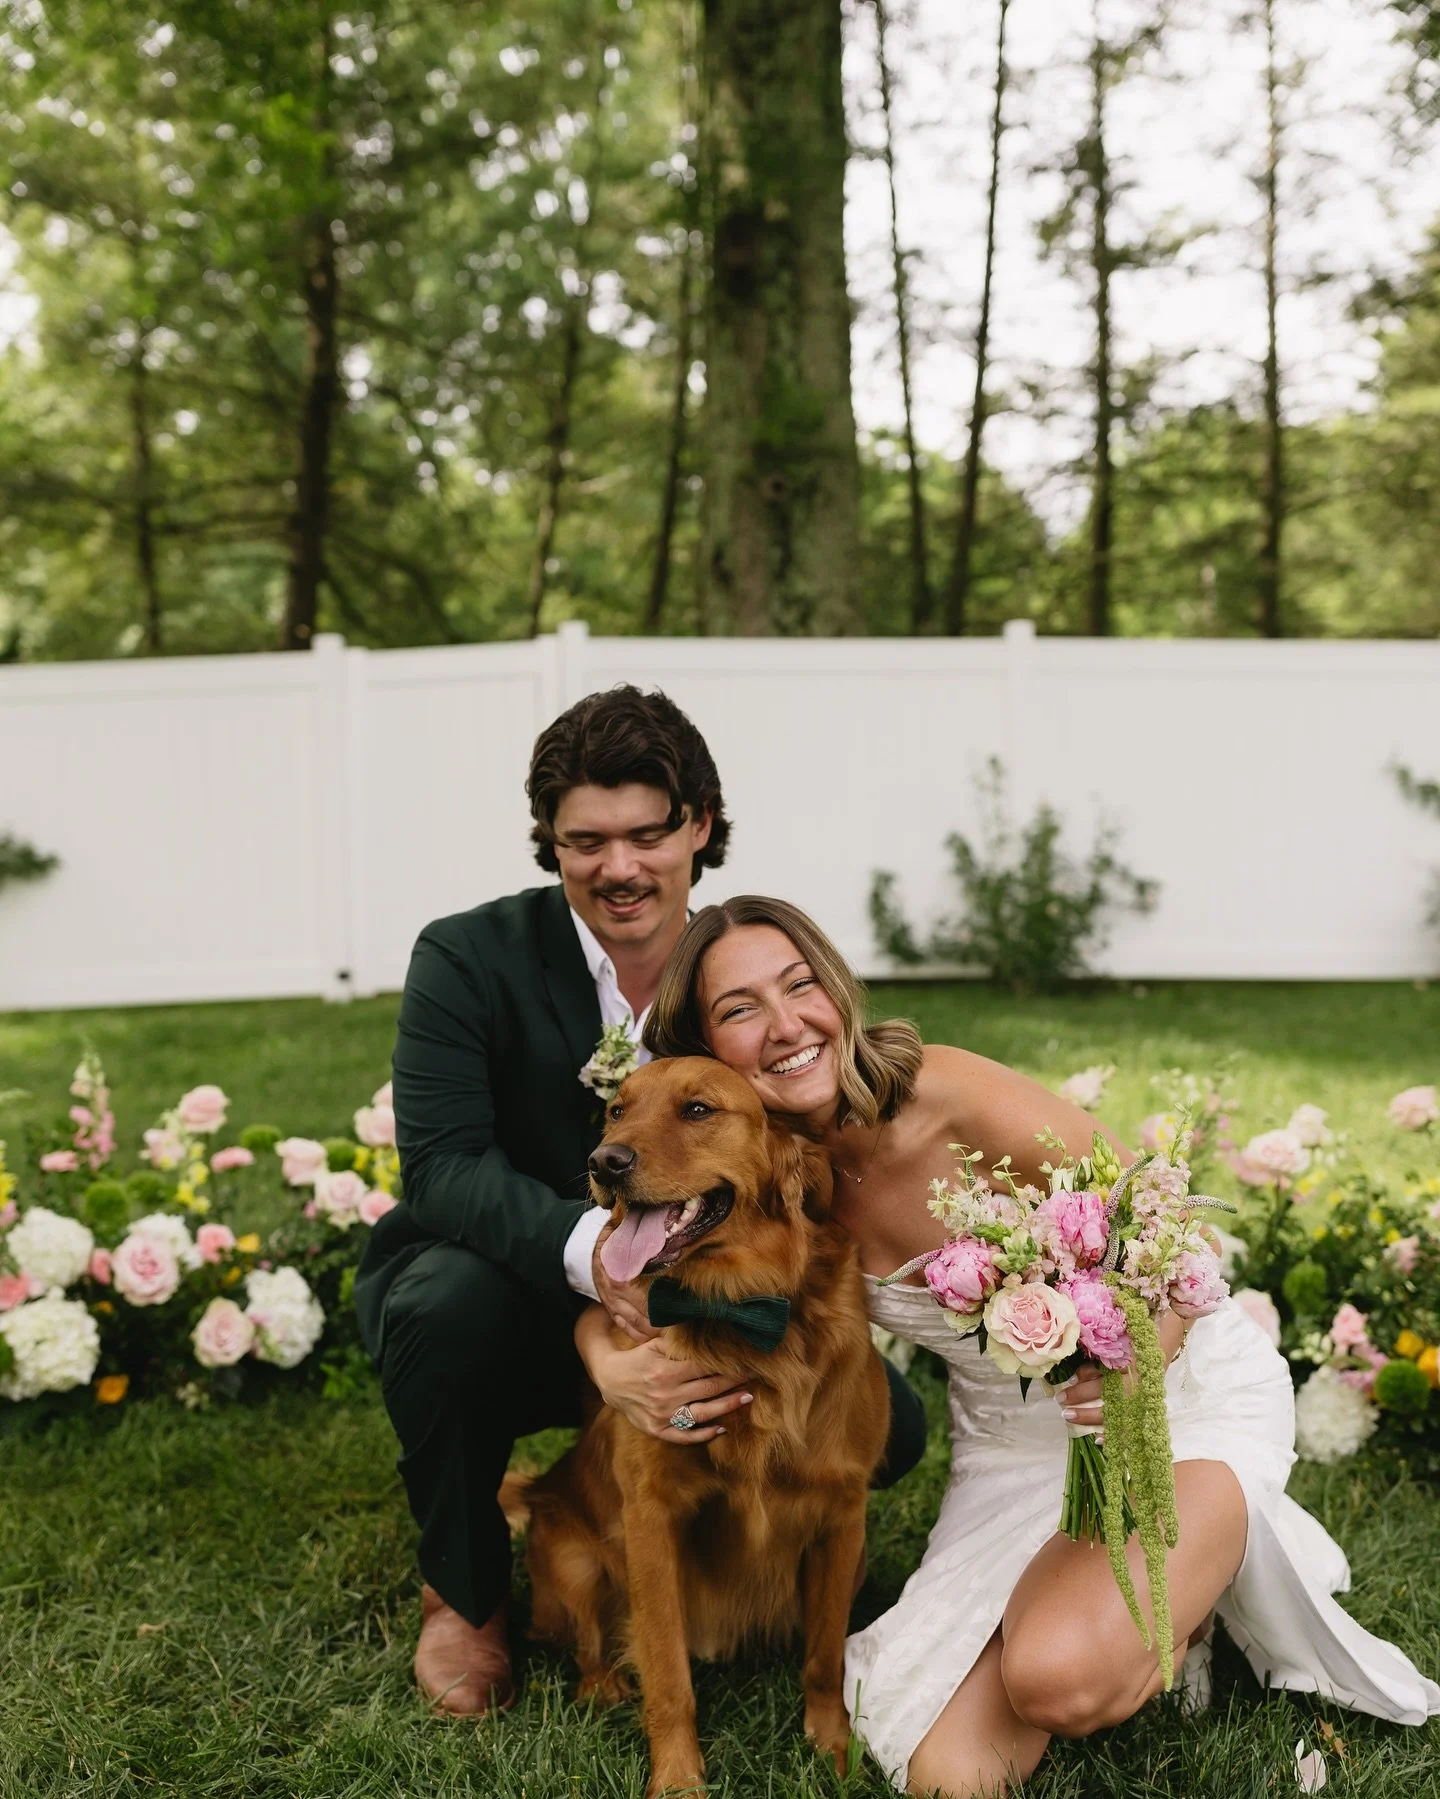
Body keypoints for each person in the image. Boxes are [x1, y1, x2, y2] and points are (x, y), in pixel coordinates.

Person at [635, 893, 1440, 1798]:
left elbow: (1171, 1216)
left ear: (837, 988)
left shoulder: (943, 1093)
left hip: (1172, 1400)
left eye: (799, 985)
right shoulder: (757, 1183)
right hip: (1013, 1447)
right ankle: (1169, 1597)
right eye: (740, 1008)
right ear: (702, 1046)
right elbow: (629, 1262)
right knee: (953, 1777)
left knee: (1057, 1673)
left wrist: (1143, 1358)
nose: (786, 1025)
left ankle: (1199, 1565)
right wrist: (621, 1360)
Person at [354, 693, 927, 1717]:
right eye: (585, 840)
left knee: (896, 1427)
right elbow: (441, 1168)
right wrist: (599, 1292)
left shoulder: (734, 967)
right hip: (511, 1294)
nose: (618, 866)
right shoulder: (465, 957)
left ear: (699, 823)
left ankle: (741, 1555)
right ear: (550, 840)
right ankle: (467, 1593)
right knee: (442, 1303)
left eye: (646, 833)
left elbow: (795, 1117)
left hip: (708, 1290)